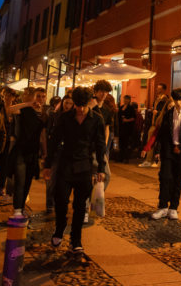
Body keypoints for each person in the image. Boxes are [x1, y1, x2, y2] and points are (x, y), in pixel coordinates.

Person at [43, 87, 106, 257]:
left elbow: (100, 145)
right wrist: (47, 165)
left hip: (84, 166)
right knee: (61, 200)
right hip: (65, 164)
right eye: (77, 105)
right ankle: (59, 228)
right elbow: (54, 141)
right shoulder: (65, 118)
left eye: (82, 105)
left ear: (88, 103)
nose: (79, 109)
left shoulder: (96, 119)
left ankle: (76, 240)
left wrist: (101, 168)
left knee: (80, 206)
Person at [150, 88, 181, 221]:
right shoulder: (168, 114)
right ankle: (163, 207)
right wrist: (158, 151)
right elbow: (162, 134)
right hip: (168, 150)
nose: (177, 103)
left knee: (178, 179)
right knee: (165, 178)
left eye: (179, 100)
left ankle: (173, 208)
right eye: (175, 99)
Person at [10, 87, 46, 219]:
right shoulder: (25, 110)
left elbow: (43, 135)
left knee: (27, 182)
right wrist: (28, 103)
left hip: (33, 152)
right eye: (38, 96)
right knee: (20, 180)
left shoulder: (44, 114)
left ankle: (21, 207)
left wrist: (44, 153)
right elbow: (10, 109)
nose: (40, 99)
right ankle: (17, 210)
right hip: (21, 150)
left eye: (43, 96)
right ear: (33, 97)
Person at [44, 94, 73, 214]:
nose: (68, 106)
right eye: (66, 103)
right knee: (52, 178)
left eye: (71, 103)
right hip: (56, 150)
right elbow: (48, 132)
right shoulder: (55, 115)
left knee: (64, 179)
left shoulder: (73, 117)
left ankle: (60, 201)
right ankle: (50, 202)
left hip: (67, 151)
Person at [139, 83, 170, 167]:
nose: (157, 90)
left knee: (158, 142)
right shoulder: (157, 99)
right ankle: (150, 160)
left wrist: (158, 112)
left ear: (163, 90)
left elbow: (166, 112)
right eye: (157, 88)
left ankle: (154, 161)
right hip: (154, 123)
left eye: (159, 88)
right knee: (151, 140)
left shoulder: (165, 100)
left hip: (159, 123)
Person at [117, 94, 135, 162]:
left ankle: (126, 158)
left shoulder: (131, 108)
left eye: (127, 99)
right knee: (121, 143)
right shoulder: (121, 107)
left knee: (126, 143)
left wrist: (126, 120)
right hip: (121, 127)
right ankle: (120, 157)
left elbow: (133, 118)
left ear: (129, 100)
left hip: (128, 128)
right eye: (124, 99)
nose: (125, 100)